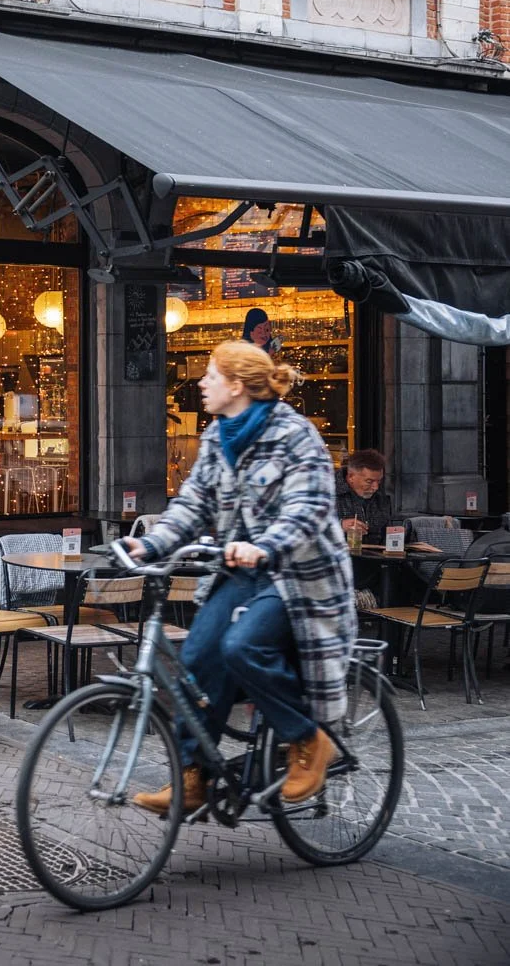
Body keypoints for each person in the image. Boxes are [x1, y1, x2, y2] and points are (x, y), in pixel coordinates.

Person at [122, 342, 357, 814]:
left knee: (242, 647)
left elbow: (310, 506)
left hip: (296, 577)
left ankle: (308, 740)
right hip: (241, 573)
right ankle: (193, 777)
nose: (201, 384)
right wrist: (151, 544)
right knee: (196, 657)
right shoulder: (217, 437)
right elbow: (194, 502)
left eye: (210, 376)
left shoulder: (295, 433)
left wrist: (266, 544)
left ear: (236, 385)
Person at [335, 448, 393, 545]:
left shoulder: (381, 499)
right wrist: (340, 526)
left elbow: (386, 536)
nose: (375, 487)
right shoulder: (325, 493)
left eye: (379, 481)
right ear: (351, 477)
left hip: (376, 558)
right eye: (369, 481)